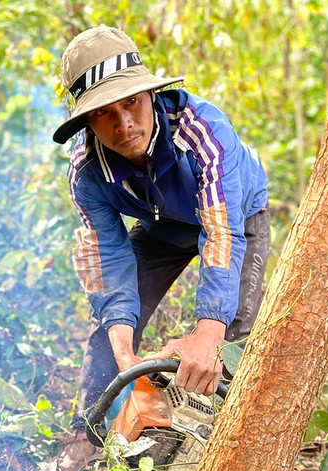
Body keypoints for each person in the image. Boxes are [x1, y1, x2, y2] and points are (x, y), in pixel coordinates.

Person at [53, 25, 270, 442]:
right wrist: (126, 357)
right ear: (86, 122)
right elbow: (109, 259)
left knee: (231, 338)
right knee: (110, 331)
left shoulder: (202, 129)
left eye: (131, 102)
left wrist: (207, 332)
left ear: (152, 94)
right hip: (161, 225)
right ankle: (87, 436)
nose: (124, 124)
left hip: (237, 215)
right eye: (103, 113)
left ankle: (221, 446)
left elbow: (220, 230)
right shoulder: (85, 173)